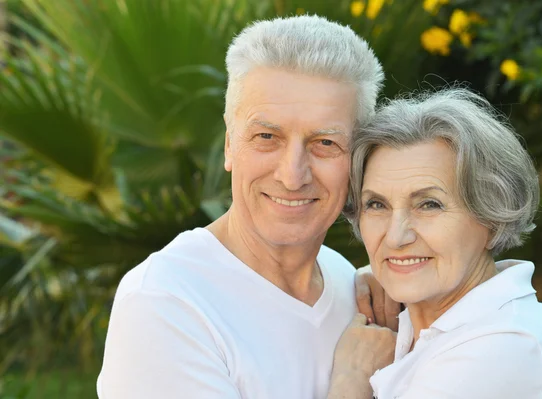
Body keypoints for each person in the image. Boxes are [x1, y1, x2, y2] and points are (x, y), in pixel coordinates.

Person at [97, 15, 397, 399]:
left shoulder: (352, 289)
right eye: (266, 136)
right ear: (228, 144)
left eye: (325, 143)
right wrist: (352, 382)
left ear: (358, 159)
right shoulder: (167, 301)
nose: (292, 175)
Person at [329, 88, 542, 398]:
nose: (396, 237)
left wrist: (352, 379)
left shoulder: (501, 347)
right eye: (377, 205)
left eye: (429, 205)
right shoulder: (422, 317)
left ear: (492, 217)